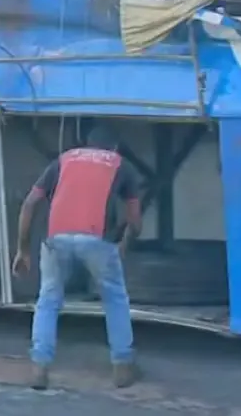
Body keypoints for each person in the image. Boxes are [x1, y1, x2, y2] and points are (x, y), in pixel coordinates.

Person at [11, 125, 143, 390]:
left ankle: (39, 368)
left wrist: (22, 249)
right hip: (96, 238)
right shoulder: (121, 164)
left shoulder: (64, 159)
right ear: (115, 147)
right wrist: (124, 244)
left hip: (56, 237)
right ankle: (122, 367)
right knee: (114, 298)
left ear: (86, 143)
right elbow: (135, 220)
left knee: (48, 299)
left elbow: (30, 203)